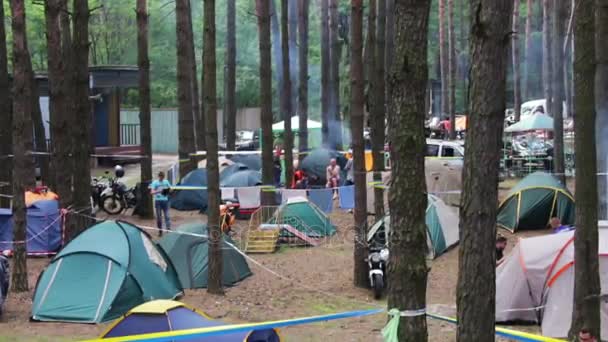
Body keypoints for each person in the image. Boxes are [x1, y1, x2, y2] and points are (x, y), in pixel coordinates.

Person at [150, 171, 171, 236]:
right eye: (161, 177)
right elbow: (152, 192)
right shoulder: (155, 182)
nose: (162, 179)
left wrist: (167, 191)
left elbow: (170, 189)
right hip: (158, 201)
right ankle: (160, 230)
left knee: (167, 216)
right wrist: (159, 191)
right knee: (159, 217)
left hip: (165, 201)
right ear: (159, 176)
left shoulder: (166, 181)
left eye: (163, 178)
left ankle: (168, 229)